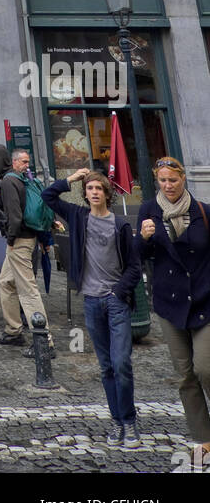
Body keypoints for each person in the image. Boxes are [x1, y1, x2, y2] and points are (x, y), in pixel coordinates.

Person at [43, 168, 142, 447]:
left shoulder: (119, 225)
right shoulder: (78, 216)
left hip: (115, 301)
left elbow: (134, 267)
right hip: (91, 300)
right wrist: (72, 179)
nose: (95, 192)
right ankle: (116, 421)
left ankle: (130, 421)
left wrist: (118, 292)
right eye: (90, 189)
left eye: (99, 188)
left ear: (107, 193)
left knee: (122, 363)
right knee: (107, 367)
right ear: (85, 194)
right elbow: (47, 196)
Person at [138, 156, 210, 453]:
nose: (168, 186)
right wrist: (142, 238)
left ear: (183, 180)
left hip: (205, 298)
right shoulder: (149, 210)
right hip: (170, 303)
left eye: (173, 180)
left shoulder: (204, 212)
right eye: (163, 180)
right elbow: (139, 255)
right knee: (185, 374)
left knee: (206, 368)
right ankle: (204, 437)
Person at [0, 148, 55, 355]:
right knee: (6, 282)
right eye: (24, 162)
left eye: (28, 162)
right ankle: (13, 330)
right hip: (25, 240)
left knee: (28, 291)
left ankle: (44, 341)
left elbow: (15, 216)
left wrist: (10, 240)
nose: (27, 166)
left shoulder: (9, 182)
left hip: (19, 242)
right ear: (13, 162)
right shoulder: (22, 180)